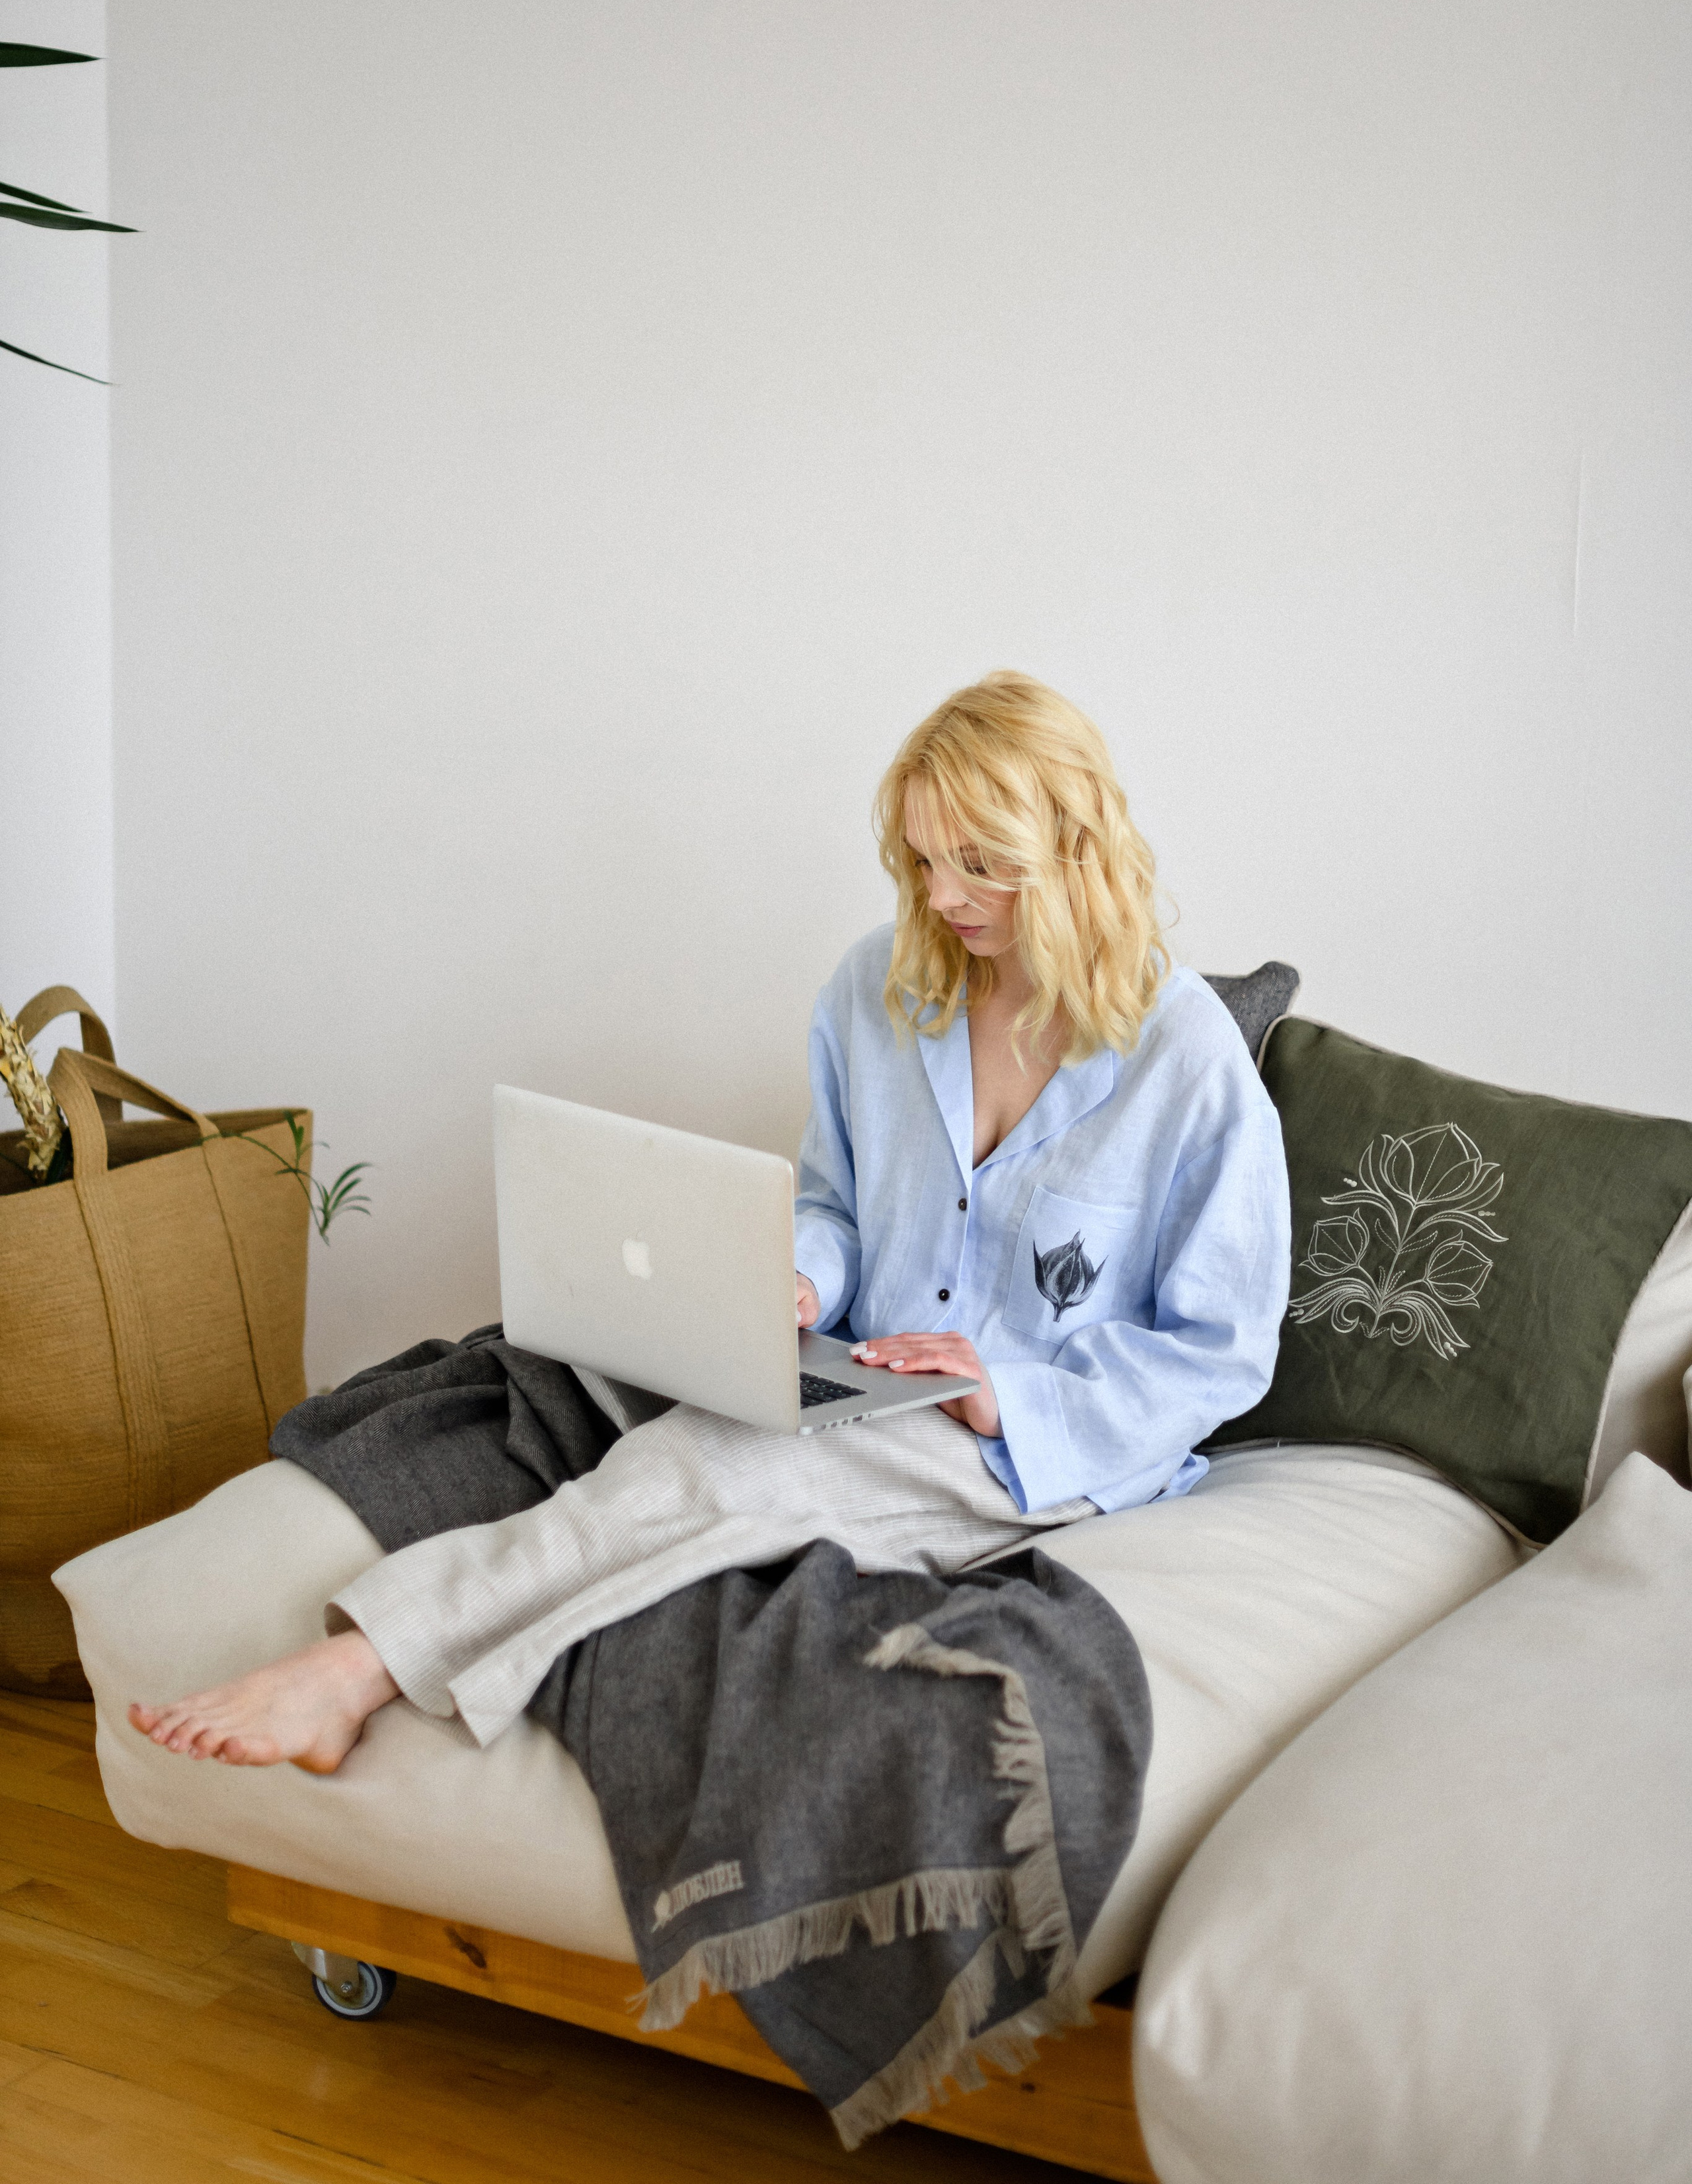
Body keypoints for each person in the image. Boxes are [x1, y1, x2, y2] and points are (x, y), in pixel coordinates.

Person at [130, 670, 1290, 1773]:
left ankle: (357, 1669)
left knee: (696, 1475)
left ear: (1073, 851)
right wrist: (793, 1277)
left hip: (1032, 1443)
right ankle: (401, 1642)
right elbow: (834, 1204)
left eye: (980, 865)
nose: (942, 898)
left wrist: (1009, 1393)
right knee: (619, 1410)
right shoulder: (878, 992)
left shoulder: (1185, 1062)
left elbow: (1223, 1349)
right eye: (926, 861)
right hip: (858, 1376)